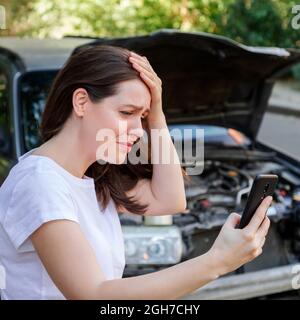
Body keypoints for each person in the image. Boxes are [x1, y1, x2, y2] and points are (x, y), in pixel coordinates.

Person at [0, 45, 271, 300]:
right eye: (126, 112)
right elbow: (93, 294)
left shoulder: (91, 179)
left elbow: (170, 199)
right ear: (81, 102)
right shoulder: (39, 182)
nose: (138, 131)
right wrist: (217, 261)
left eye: (140, 117)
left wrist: (156, 114)